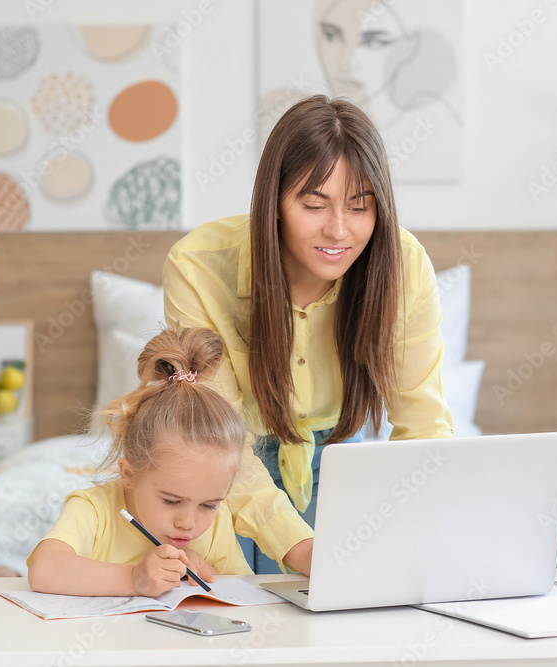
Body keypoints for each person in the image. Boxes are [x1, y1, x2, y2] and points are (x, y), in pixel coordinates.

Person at [164, 94, 454, 574]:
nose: (338, 230)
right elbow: (216, 438)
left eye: (360, 207)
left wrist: (420, 527)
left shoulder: (404, 266)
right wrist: (296, 546)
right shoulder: (198, 267)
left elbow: (423, 427)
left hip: (342, 461)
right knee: (244, 625)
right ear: (274, 201)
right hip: (226, 464)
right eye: (314, 204)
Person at [26, 326, 251, 596]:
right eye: (171, 500)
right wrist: (135, 578)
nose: (188, 522)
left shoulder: (217, 525)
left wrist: (203, 569)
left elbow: (241, 594)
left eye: (209, 505)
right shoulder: (94, 510)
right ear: (129, 474)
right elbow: (44, 570)